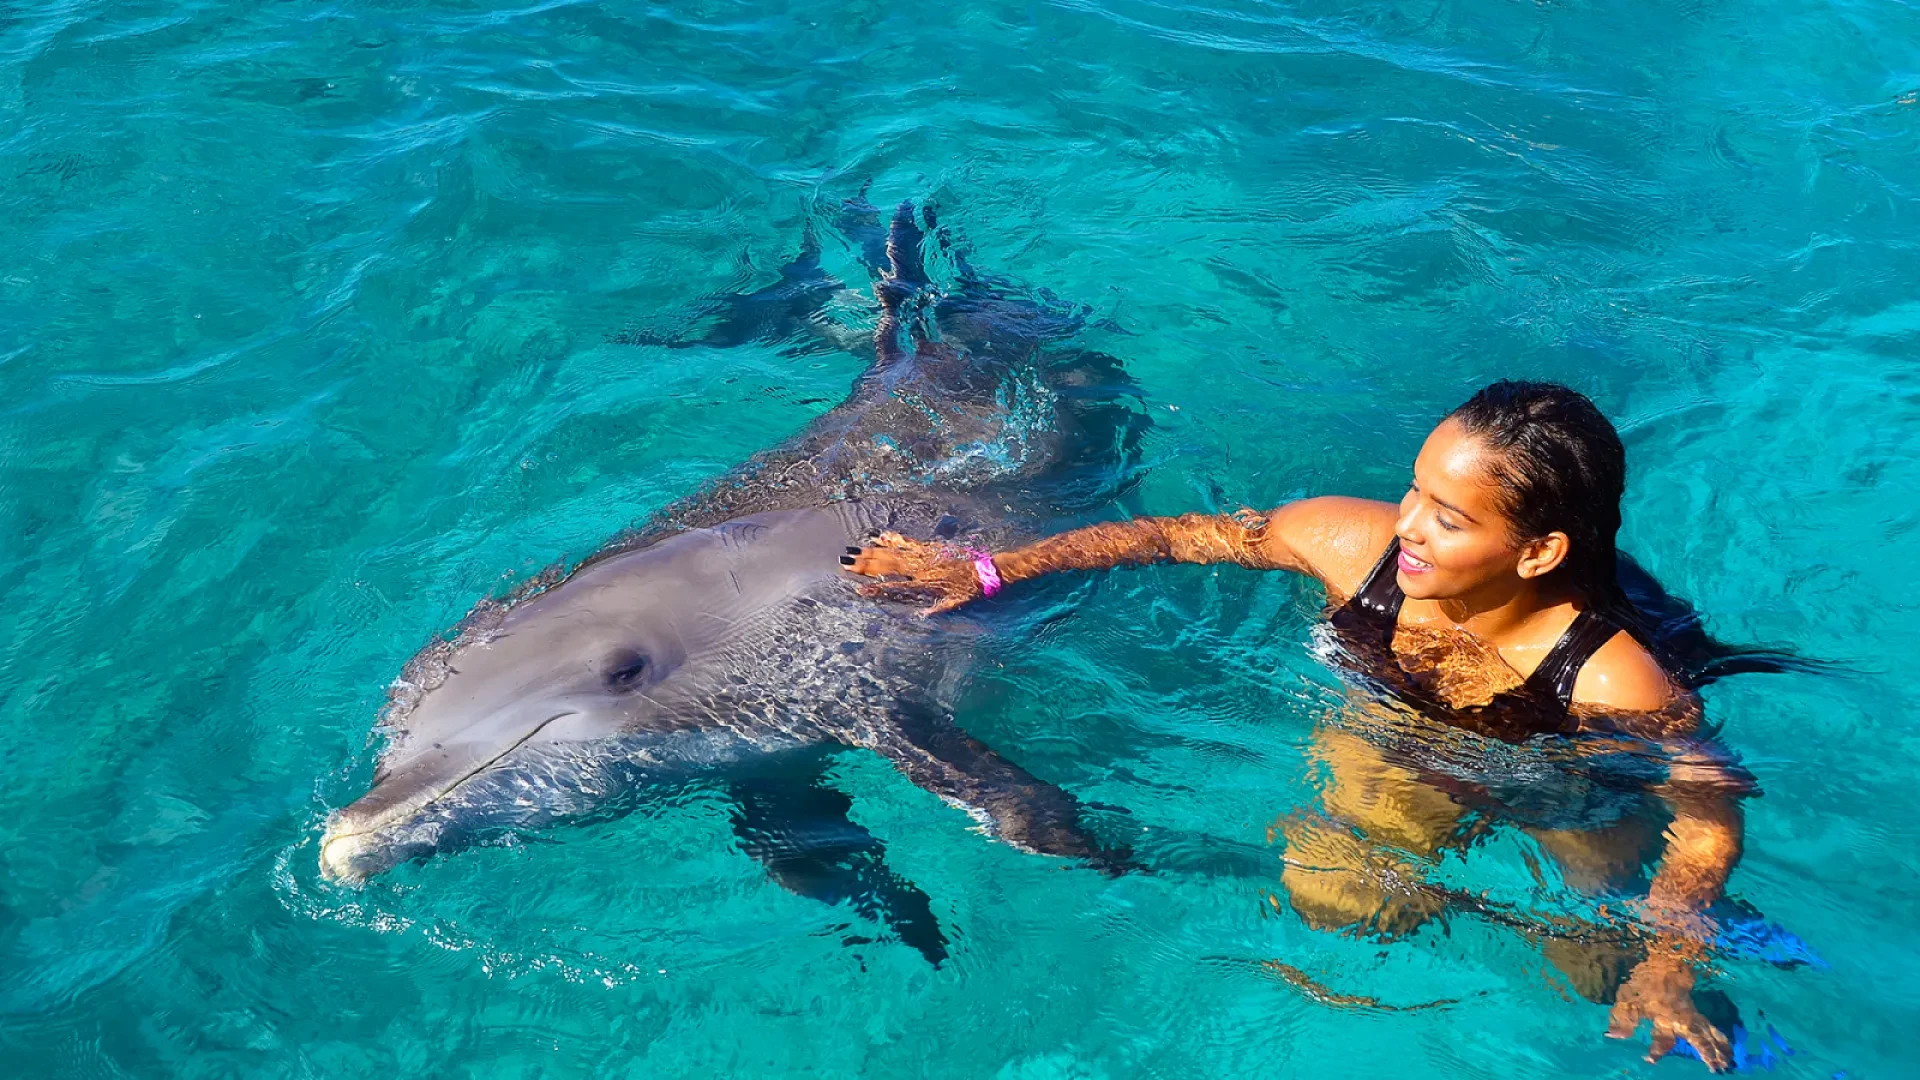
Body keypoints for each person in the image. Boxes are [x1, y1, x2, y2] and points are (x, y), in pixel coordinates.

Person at [844, 380, 1751, 1072]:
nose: (1410, 527)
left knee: (1601, 964)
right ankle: (1499, 922)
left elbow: (1709, 808)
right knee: (1334, 891)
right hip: (1403, 729)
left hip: (1561, 776)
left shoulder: (1612, 677)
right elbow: (1175, 536)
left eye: (1449, 516)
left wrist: (1673, 953)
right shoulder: (1352, 546)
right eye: (1413, 490)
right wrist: (992, 569)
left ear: (1539, 551)